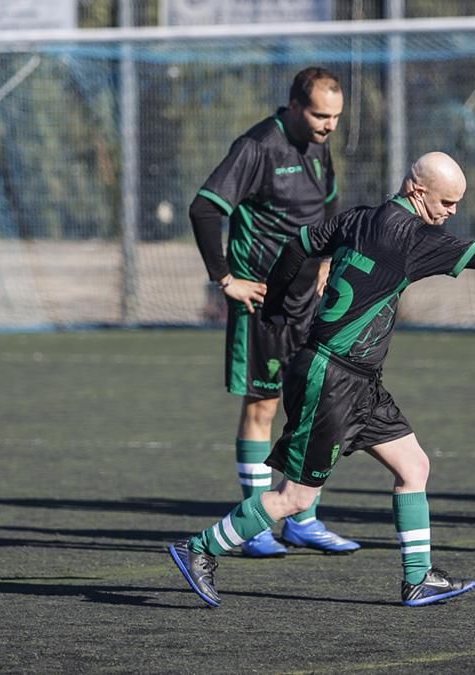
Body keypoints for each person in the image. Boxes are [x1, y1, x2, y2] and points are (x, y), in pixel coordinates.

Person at [169, 152, 475, 608]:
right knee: (294, 497)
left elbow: (297, 246)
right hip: (331, 377)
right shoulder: (415, 237)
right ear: (417, 190)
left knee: (414, 467)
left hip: (357, 378)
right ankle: (200, 548)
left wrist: (276, 308)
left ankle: (418, 579)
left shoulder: (357, 218)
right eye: (446, 202)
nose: (452, 212)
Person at [188, 67, 359, 556]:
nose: (329, 125)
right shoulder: (257, 146)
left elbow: (328, 208)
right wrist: (225, 279)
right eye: (321, 116)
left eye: (336, 117)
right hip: (262, 304)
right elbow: (204, 208)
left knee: (312, 402)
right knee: (262, 406)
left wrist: (326, 259)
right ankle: (254, 525)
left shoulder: (319, 144)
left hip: (311, 300)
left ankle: (302, 517)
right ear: (294, 106)